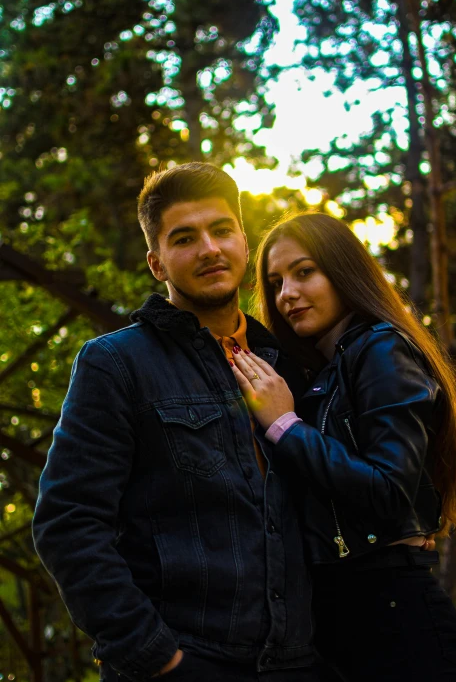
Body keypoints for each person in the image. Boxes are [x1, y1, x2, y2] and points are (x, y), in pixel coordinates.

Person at [33, 165, 338, 682]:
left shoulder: (295, 361)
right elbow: (68, 522)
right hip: (184, 661)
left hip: (300, 663)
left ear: (244, 241)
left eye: (222, 230)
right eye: (184, 238)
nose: (209, 249)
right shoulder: (116, 363)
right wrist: (158, 658)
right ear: (157, 262)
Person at [231, 212, 456, 682]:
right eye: (276, 282)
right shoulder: (321, 376)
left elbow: (390, 491)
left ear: (343, 271)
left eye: (304, 272)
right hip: (339, 621)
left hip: (394, 621)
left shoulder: (382, 349)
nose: (287, 293)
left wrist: (284, 425)